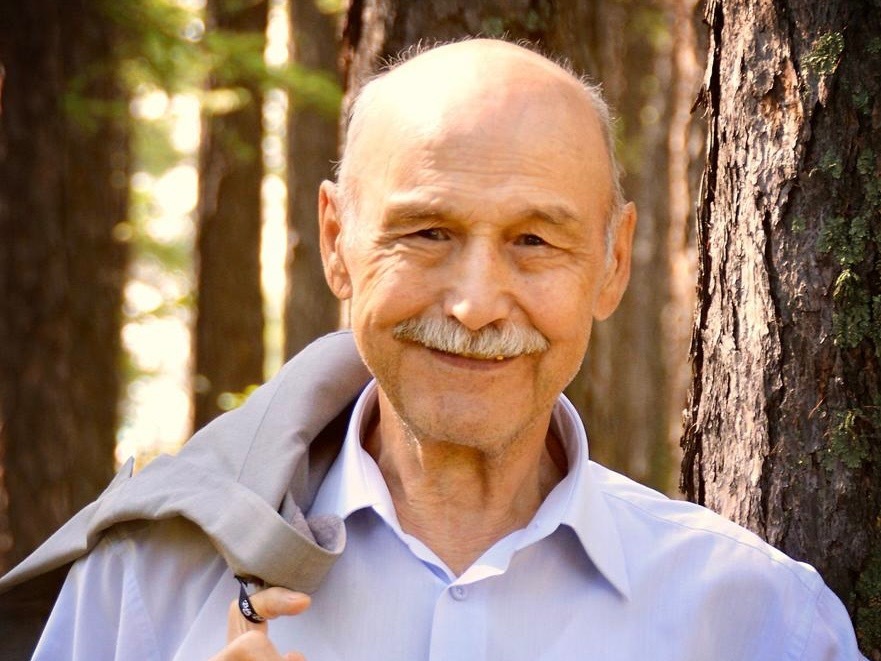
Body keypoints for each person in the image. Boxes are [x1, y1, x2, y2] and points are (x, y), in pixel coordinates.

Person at [0, 39, 866, 660]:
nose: (475, 304)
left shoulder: (760, 620)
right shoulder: (143, 584)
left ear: (610, 264)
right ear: (336, 242)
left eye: (534, 241)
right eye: (426, 231)